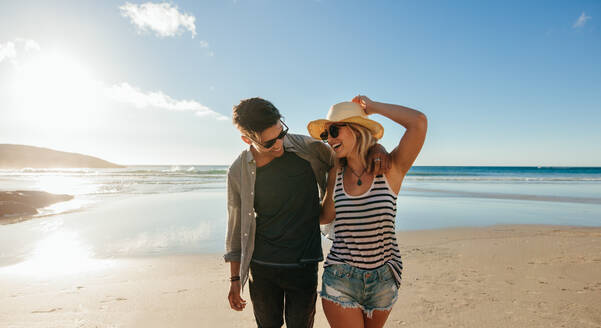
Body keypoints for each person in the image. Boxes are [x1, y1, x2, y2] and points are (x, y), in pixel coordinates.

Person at [224, 97, 390, 328]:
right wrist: (234, 280)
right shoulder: (238, 171)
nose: (279, 144)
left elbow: (345, 152)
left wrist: (376, 148)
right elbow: (235, 228)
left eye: (281, 134)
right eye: (269, 142)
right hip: (262, 267)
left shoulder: (306, 149)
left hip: (304, 264)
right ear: (246, 139)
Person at [307, 95, 427, 328]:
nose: (329, 140)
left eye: (333, 131)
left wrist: (372, 107)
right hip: (341, 276)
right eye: (325, 135)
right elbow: (326, 216)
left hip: (383, 278)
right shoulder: (336, 173)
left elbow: (418, 122)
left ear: (356, 128)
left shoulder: (391, 167)